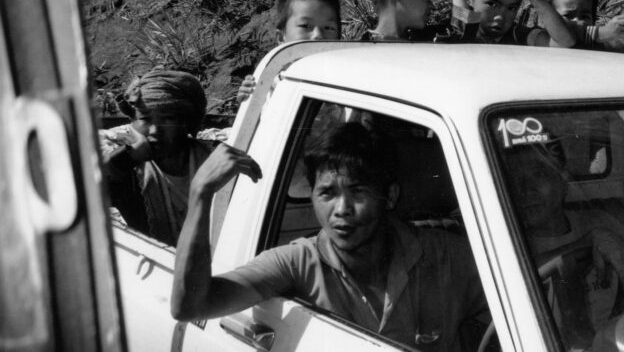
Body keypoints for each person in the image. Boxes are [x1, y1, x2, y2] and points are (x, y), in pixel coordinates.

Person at [171, 122, 489, 351]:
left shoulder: (445, 255)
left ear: (389, 196)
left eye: (358, 191)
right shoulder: (297, 262)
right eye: (327, 193)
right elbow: (190, 307)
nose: (341, 210)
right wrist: (200, 193)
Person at [501, 136, 624, 346]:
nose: (525, 190)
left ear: (562, 180)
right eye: (514, 178)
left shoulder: (600, 221)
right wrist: (586, 243)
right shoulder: (503, 243)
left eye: (539, 174)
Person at [103, 69, 213, 245]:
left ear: (187, 121)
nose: (155, 130)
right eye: (145, 119)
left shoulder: (214, 158)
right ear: (132, 123)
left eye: (168, 118)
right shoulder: (131, 174)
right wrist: (127, 156)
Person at [237, 0, 342, 102]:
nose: (318, 35)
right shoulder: (268, 83)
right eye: (305, 26)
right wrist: (247, 100)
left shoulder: (343, 78)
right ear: (281, 37)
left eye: (328, 28)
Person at [543, 0, 624, 53]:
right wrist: (603, 33)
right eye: (568, 15)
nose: (578, 21)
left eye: (584, 16)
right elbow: (565, 42)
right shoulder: (542, 38)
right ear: (547, 19)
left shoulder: (603, 45)